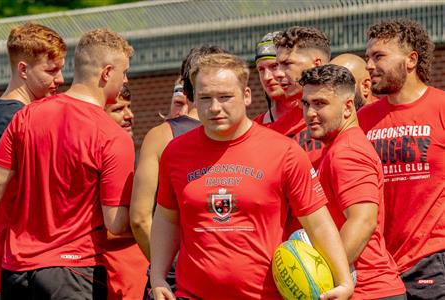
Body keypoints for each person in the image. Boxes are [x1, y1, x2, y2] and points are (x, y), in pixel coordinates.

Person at [149, 53, 354, 300]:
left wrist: (343, 280)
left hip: (264, 295)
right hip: (192, 295)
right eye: (205, 98)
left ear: (246, 96)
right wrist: (158, 276)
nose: (214, 107)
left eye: (225, 97)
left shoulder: (284, 152)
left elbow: (318, 222)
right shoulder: (175, 152)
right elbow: (166, 217)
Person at [0, 28, 134, 299]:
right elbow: (116, 223)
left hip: (16, 270)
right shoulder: (112, 135)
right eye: (124, 72)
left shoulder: (26, 116)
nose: (125, 79)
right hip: (73, 270)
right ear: (107, 73)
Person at [300, 64, 406, 299]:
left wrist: (325, 279)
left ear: (348, 106)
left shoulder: (347, 152)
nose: (309, 113)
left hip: (369, 291)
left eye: (320, 104)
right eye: (306, 103)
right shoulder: (341, 147)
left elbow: (363, 220)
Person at [358, 19, 445, 299]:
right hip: (379, 268)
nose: (369, 65)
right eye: (367, 57)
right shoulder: (362, 121)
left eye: (379, 56)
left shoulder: (441, 108)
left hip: (433, 262)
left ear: (411, 60)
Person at [130, 45, 225, 299]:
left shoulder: (161, 136)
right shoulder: (246, 136)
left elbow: (139, 218)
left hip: (174, 282)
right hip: (230, 278)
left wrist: (164, 270)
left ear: (184, 90)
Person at [0, 22, 67, 300]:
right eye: (51, 71)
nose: (59, 79)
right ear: (23, 69)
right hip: (13, 264)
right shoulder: (14, 121)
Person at [104, 85, 149, 300]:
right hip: (116, 271)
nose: (129, 115)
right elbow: (114, 224)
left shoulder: (128, 150)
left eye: (129, 107)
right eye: (118, 109)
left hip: (138, 268)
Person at [270, 26, 331, 169]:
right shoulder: (276, 131)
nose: (277, 74)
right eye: (277, 65)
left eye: (287, 64)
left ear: (317, 65)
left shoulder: (354, 115)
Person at [254, 31, 294, 124]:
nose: (266, 77)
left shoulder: (315, 120)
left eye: (274, 66)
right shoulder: (257, 129)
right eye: (261, 69)